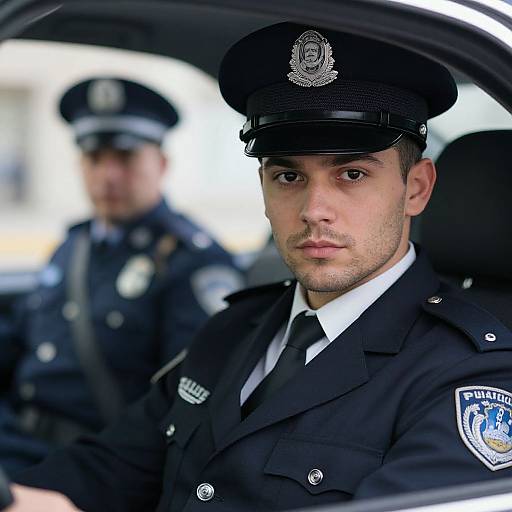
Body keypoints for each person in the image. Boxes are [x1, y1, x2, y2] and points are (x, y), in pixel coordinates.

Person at [7, 22, 512, 511]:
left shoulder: (471, 376)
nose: (315, 209)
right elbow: (107, 470)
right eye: (288, 175)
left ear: (416, 188)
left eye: (352, 174)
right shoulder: (231, 331)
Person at [0, 77, 243, 476]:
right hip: (15, 433)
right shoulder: (74, 246)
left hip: (90, 458)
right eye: (95, 158)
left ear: (161, 165)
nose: (108, 175)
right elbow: (21, 339)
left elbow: (188, 402)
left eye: (125, 158)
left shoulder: (192, 262)